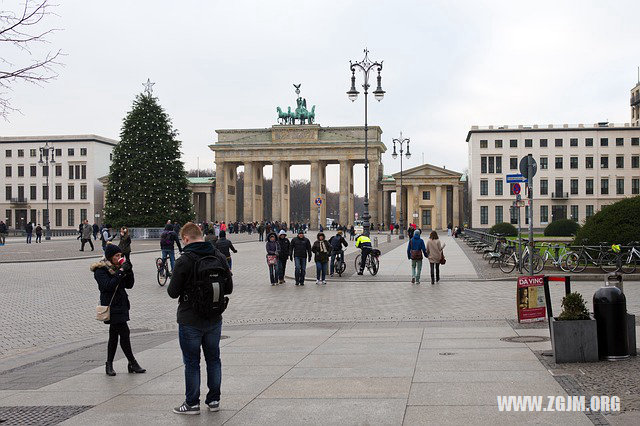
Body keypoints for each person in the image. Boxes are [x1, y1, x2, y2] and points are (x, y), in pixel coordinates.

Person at [167, 222, 233, 415]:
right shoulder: (218, 256)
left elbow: (172, 292)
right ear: (201, 235)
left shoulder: (185, 260)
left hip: (190, 319)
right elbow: (228, 288)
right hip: (214, 317)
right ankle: (214, 401)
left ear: (186, 238)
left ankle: (192, 404)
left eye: (182, 240)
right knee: (214, 359)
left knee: (192, 362)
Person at [91, 243, 145, 377]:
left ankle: (109, 364)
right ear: (110, 257)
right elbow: (108, 286)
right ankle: (132, 362)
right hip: (111, 306)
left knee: (114, 336)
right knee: (124, 333)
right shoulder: (101, 270)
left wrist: (129, 270)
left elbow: (129, 285)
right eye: (117, 255)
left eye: (120, 255)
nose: (119, 258)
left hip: (121, 305)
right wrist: (120, 272)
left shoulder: (119, 267)